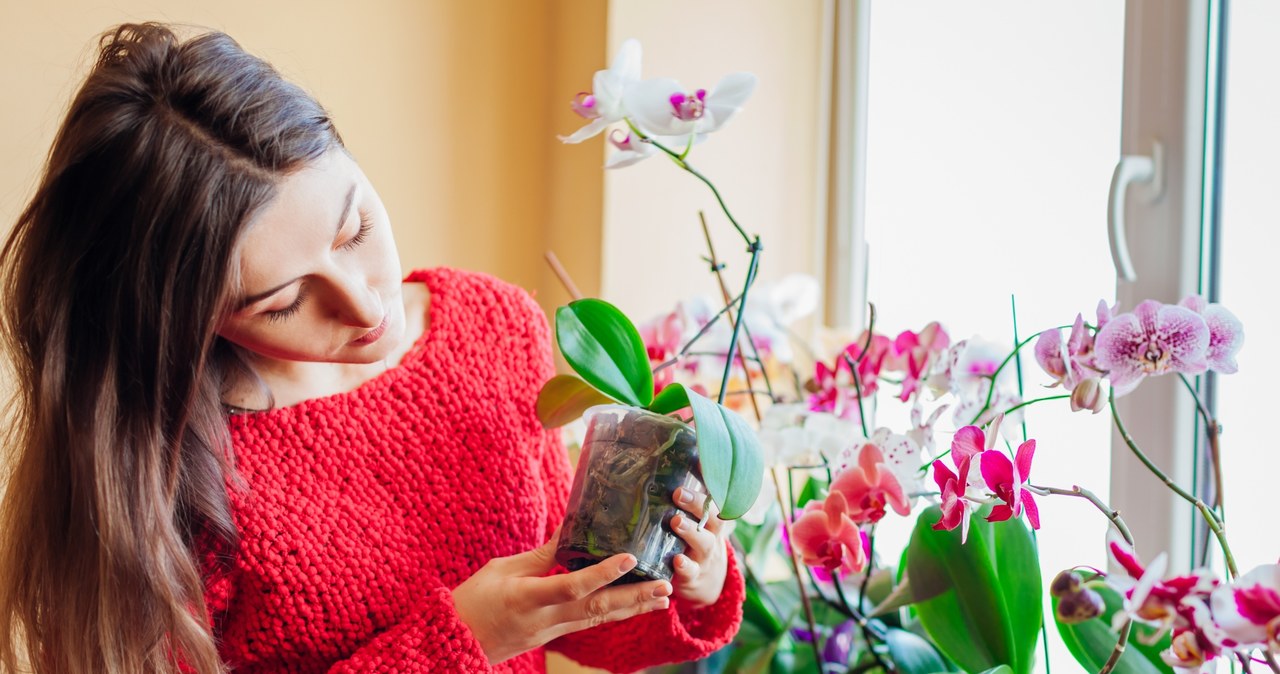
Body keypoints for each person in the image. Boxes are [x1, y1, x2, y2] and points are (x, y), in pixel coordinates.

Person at [0, 23, 743, 673]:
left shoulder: (491, 325)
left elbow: (567, 610)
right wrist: (459, 643)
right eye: (282, 300)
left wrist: (684, 579)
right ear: (184, 318)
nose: (364, 303)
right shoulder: (160, 470)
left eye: (354, 228)